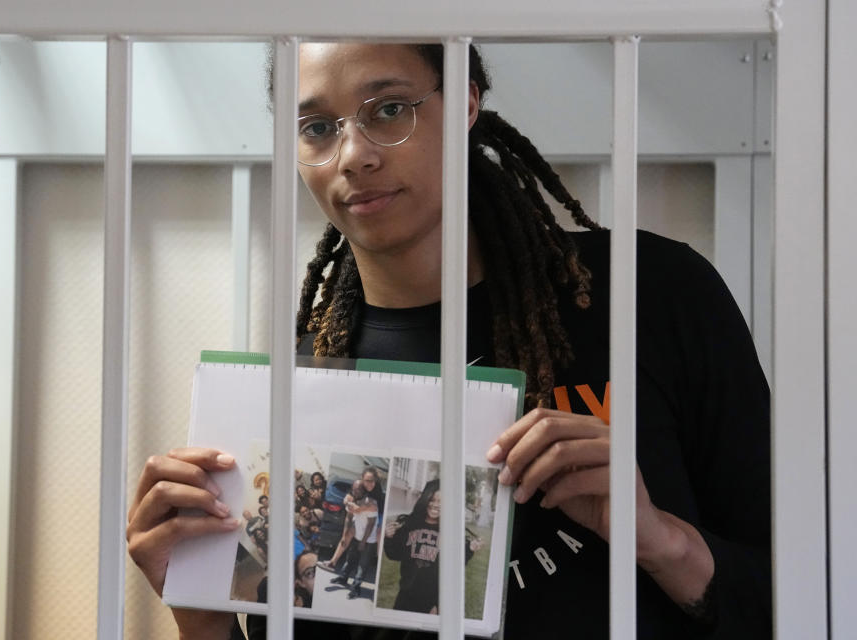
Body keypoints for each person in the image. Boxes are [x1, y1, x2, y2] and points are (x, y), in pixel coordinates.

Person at [125, 42, 771, 639]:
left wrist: (662, 541)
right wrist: (202, 617)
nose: (355, 156)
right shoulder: (295, 398)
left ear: (464, 101)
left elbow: (800, 591)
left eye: (389, 110)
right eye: (318, 128)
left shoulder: (651, 292)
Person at [382, 478, 481, 614]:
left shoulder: (450, 531)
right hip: (406, 595)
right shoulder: (411, 525)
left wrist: (469, 550)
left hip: (432, 601)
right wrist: (389, 537)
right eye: (432, 500)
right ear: (425, 499)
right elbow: (394, 554)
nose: (436, 505)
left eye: (441, 502)